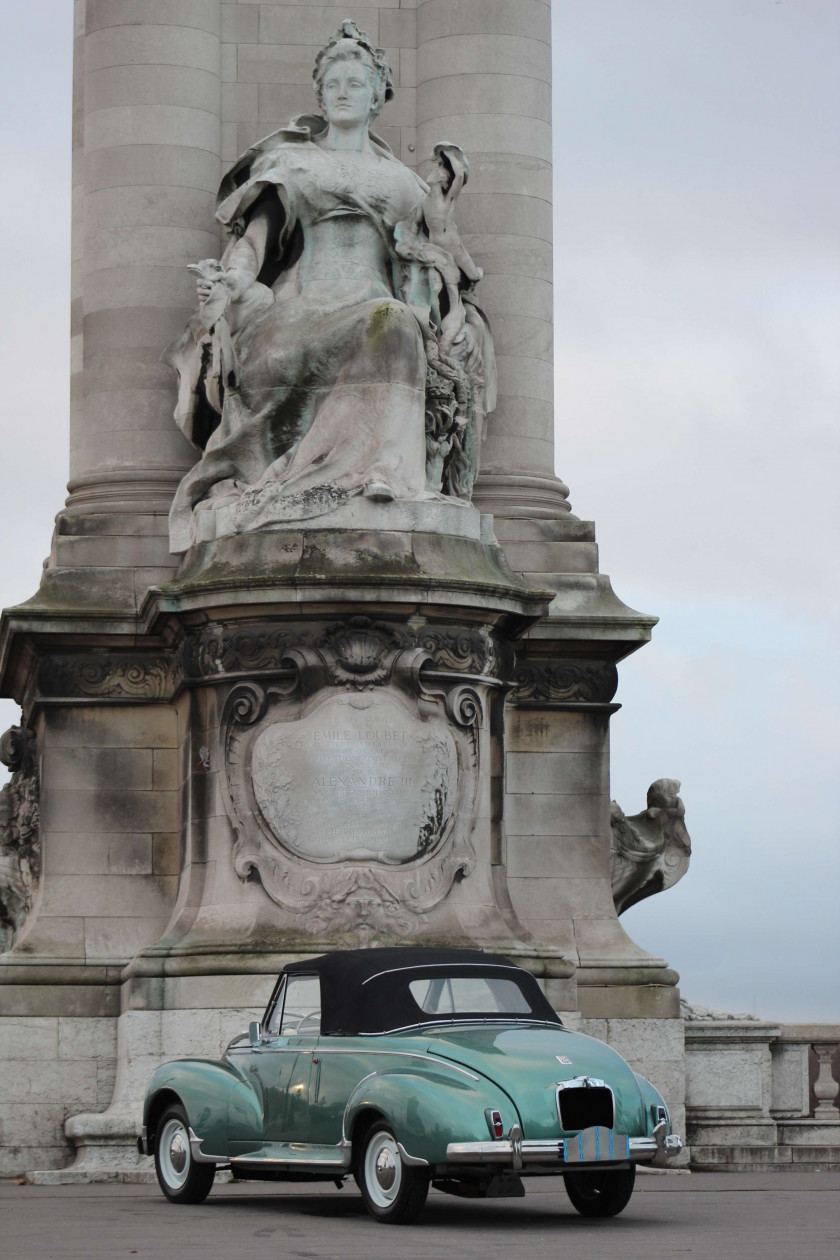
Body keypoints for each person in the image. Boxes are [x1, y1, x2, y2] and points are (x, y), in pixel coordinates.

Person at [165, 21, 494, 553]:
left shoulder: (403, 184)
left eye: (355, 83)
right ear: (319, 93)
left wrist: (444, 227)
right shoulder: (291, 163)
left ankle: (382, 473)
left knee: (393, 323)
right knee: (389, 322)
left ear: (376, 97)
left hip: (377, 315)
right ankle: (351, 471)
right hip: (295, 317)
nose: (342, 92)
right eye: (333, 83)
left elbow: (439, 268)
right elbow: (253, 243)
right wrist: (229, 283)